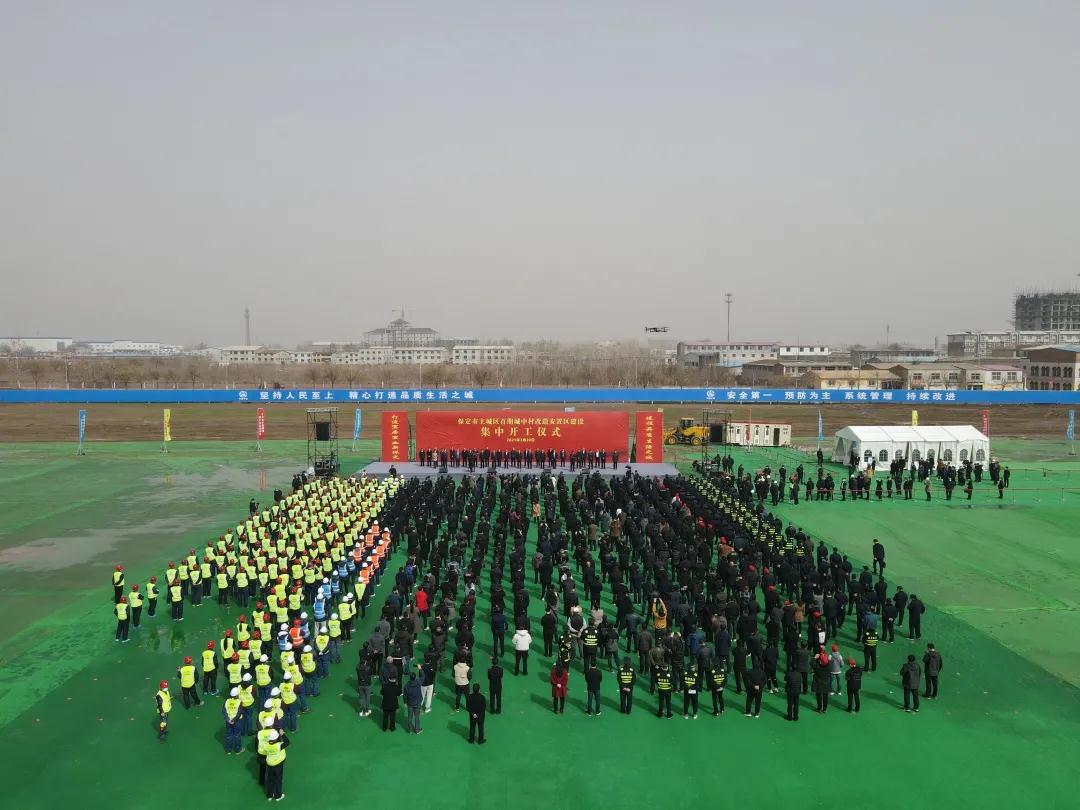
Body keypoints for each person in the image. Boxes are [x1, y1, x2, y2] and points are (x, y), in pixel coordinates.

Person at [264, 729, 290, 801]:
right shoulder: (279, 745)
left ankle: (269, 795)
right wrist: (282, 734)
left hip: (269, 764)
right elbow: (287, 742)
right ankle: (278, 796)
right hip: (278, 765)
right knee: (278, 780)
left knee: (270, 779)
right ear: (276, 738)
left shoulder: (266, 745)